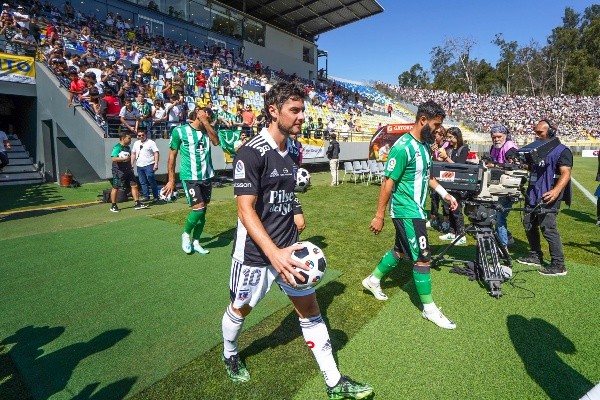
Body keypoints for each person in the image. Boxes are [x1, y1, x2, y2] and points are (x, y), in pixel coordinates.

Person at [220, 82, 373, 399]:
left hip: (290, 249)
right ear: (273, 111)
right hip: (254, 254)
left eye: (303, 109)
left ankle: (334, 382)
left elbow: (285, 191)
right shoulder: (250, 153)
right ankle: (230, 352)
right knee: (241, 308)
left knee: (310, 310)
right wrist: (272, 253)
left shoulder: (290, 151)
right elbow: (245, 210)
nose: (302, 116)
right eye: (295, 110)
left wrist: (296, 209)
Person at [361, 100, 459, 330]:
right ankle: (430, 310)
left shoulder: (425, 146)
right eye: (436, 125)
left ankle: (372, 280)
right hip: (407, 212)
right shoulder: (402, 147)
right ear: (423, 120)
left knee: (400, 251)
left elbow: (428, 177)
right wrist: (379, 215)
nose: (438, 131)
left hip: (415, 210)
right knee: (423, 259)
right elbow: (388, 182)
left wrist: (446, 195)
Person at [516, 119, 572, 276]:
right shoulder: (538, 149)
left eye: (540, 132)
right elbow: (533, 167)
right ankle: (535, 255)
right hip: (533, 192)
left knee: (548, 228)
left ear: (551, 132)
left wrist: (555, 191)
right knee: (528, 223)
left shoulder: (562, 150)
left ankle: (558, 264)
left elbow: (566, 173)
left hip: (548, 194)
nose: (537, 135)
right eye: (536, 132)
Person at [162, 107, 219, 255]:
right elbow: (172, 156)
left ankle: (196, 241)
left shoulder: (207, 130)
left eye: (210, 118)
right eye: (208, 116)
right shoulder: (179, 131)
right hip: (190, 177)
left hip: (206, 176)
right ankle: (186, 235)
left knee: (203, 212)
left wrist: (206, 123)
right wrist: (171, 180)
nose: (210, 119)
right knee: (198, 209)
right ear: (198, 115)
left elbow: (216, 142)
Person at [487, 125, 519, 251]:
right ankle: (506, 238)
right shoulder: (493, 148)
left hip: (509, 187)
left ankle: (503, 246)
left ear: (505, 136)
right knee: (494, 214)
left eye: (499, 136)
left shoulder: (510, 147)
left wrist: (494, 165)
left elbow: (515, 167)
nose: (496, 139)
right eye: (494, 137)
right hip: (499, 186)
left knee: (499, 216)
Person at [437, 127, 469, 245]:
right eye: (448, 137)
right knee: (449, 207)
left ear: (457, 137)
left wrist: (446, 157)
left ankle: (461, 234)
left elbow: (459, 166)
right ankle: (452, 232)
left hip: (458, 183)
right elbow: (444, 162)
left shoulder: (464, 148)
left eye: (451, 137)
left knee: (456, 208)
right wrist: (441, 157)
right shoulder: (449, 149)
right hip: (448, 181)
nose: (448, 139)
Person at [109, 132, 148, 212]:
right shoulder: (117, 147)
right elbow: (113, 158)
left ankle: (137, 203)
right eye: (129, 138)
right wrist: (124, 159)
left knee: (134, 185)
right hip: (118, 171)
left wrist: (130, 166)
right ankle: (113, 205)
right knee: (116, 187)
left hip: (128, 170)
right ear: (123, 138)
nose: (130, 140)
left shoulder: (127, 148)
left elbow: (129, 158)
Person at [131, 127, 160, 203]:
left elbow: (156, 153)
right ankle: (146, 196)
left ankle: (156, 197)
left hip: (149, 164)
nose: (141, 137)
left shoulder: (151, 142)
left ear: (145, 135)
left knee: (151, 179)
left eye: (142, 135)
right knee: (142, 182)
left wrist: (156, 163)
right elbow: (133, 153)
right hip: (139, 165)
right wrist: (131, 163)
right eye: (139, 135)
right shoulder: (136, 143)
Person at [429, 126, 448, 231]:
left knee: (444, 200)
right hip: (435, 175)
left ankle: (446, 221)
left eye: (436, 133)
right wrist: (432, 152)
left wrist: (435, 154)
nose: (434, 135)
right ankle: (434, 218)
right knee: (434, 198)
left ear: (442, 135)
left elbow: (441, 161)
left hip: (444, 176)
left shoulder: (446, 146)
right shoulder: (435, 145)